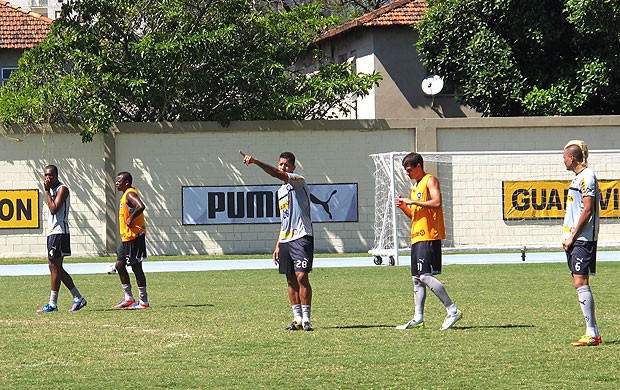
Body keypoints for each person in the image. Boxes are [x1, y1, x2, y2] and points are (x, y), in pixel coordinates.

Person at [240, 150, 315, 331]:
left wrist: (256, 161)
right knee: (290, 280)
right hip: (286, 240)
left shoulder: (298, 180)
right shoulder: (280, 191)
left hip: (302, 237)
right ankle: (297, 319)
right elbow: (284, 219)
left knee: (302, 276)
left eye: (286, 165)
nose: (282, 167)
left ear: (293, 167)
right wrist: (278, 245)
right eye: (280, 164)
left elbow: (275, 174)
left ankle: (307, 319)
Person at [395, 152, 462, 331]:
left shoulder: (430, 180)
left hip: (429, 236)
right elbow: (416, 214)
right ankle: (418, 318)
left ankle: (452, 310)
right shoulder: (415, 187)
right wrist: (404, 207)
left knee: (425, 276)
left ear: (418, 166)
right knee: (417, 279)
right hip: (417, 236)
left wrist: (413, 201)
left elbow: (437, 202)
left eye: (409, 170)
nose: (407, 174)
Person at [562, 140, 601, 346]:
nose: (563, 162)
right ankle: (593, 331)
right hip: (575, 239)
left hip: (582, 239)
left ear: (572, 158)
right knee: (578, 282)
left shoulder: (587, 176)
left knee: (581, 282)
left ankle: (592, 333)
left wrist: (573, 236)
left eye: (564, 158)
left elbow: (587, 210)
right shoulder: (578, 177)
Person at [37, 165, 87, 312]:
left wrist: (46, 191)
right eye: (45, 175)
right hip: (52, 232)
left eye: (50, 175)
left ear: (57, 175)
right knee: (55, 267)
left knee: (54, 267)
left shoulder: (62, 189)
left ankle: (53, 303)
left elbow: (54, 209)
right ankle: (78, 298)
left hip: (59, 232)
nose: (47, 178)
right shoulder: (52, 190)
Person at [113, 171, 150, 310]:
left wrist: (131, 217)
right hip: (126, 238)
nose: (116, 183)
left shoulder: (130, 193)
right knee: (120, 265)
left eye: (119, 181)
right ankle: (129, 298)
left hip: (135, 237)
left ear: (126, 183)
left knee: (136, 267)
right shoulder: (125, 195)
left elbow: (140, 206)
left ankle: (143, 301)